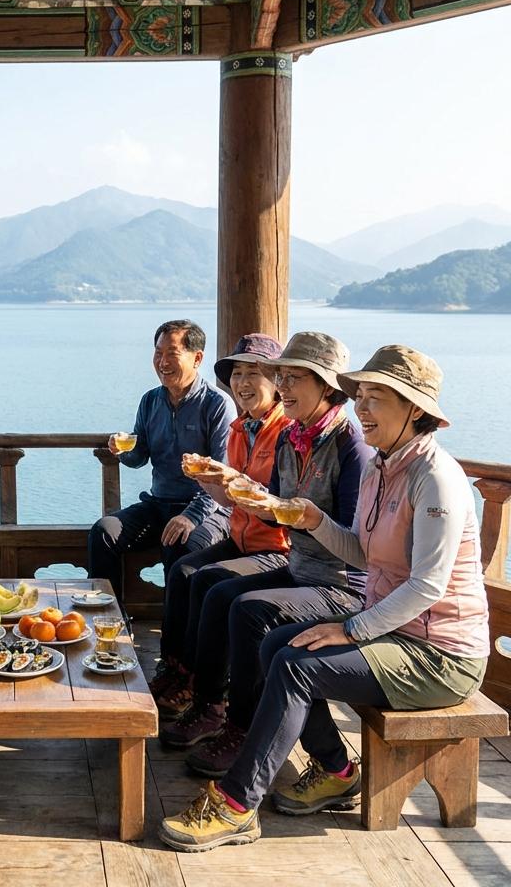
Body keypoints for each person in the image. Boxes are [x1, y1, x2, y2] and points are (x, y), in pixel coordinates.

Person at [159, 344, 490, 853]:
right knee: (275, 648)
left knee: (296, 666)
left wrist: (350, 627)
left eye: (378, 398)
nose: (364, 409)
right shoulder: (386, 466)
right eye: (363, 396)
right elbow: (362, 553)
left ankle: (236, 804)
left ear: (416, 410)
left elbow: (428, 586)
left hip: (441, 655)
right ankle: (338, 768)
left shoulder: (435, 478)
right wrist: (315, 520)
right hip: (395, 630)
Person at [159, 332, 372, 780]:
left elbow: (358, 548)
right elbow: (276, 510)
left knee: (247, 609)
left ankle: (240, 727)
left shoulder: (350, 445)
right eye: (283, 376)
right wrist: (225, 488)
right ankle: (209, 705)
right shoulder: (296, 436)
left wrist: (300, 517)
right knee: (214, 593)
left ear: (328, 387)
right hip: (300, 567)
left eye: (294, 378)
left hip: (339, 585)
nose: (285, 387)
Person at [150, 334, 292, 710]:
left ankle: (208, 697)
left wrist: (229, 480)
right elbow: (231, 499)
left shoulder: (287, 432)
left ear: (278, 381)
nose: (244, 383)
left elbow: (280, 503)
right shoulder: (241, 427)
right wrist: (210, 482)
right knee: (183, 572)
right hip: (243, 537)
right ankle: (177, 667)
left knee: (209, 580)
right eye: (237, 373)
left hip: (277, 546)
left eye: (254, 373)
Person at [87, 319, 234, 602]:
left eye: (172, 354)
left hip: (206, 508)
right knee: (103, 532)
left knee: (181, 543)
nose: (162, 362)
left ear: (197, 358)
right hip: (159, 503)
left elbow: (223, 475)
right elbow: (139, 457)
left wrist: (190, 516)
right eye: (158, 353)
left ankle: (173, 643)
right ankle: (110, 621)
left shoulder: (217, 404)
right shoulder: (150, 401)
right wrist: (123, 450)